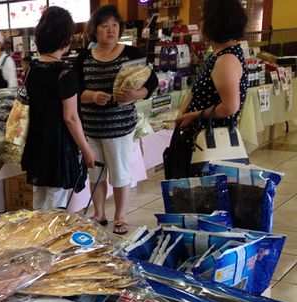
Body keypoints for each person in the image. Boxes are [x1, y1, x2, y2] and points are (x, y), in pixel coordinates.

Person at [75, 5, 157, 235]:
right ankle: (99, 213)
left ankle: (121, 215)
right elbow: (75, 91)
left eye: (114, 25)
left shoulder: (132, 54)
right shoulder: (83, 58)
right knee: (95, 173)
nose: (111, 30)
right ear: (94, 30)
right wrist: (92, 96)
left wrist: (136, 94)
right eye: (104, 25)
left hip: (119, 128)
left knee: (120, 173)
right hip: (91, 128)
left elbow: (151, 82)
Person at [22, 6, 95, 211]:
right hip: (58, 147)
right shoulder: (65, 73)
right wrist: (86, 150)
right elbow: (70, 118)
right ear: (65, 38)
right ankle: (51, 233)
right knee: (56, 206)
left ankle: (35, 232)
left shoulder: (32, 69)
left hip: (36, 142)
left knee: (39, 200)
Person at [176, 0, 249, 170]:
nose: (200, 23)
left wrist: (194, 115)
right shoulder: (218, 55)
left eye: (203, 18)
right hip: (200, 142)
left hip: (212, 145)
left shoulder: (226, 60)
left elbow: (230, 107)